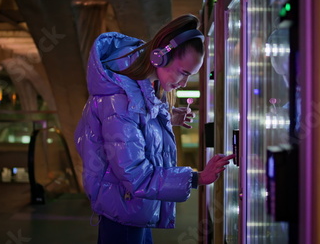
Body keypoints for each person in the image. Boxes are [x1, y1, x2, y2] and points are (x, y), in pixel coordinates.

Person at [74, 14, 234, 244]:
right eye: (183, 72)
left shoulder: (132, 88)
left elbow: (129, 132)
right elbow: (136, 175)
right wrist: (198, 178)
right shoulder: (119, 100)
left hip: (128, 206)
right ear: (160, 57)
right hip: (124, 210)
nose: (183, 83)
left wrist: (165, 118)